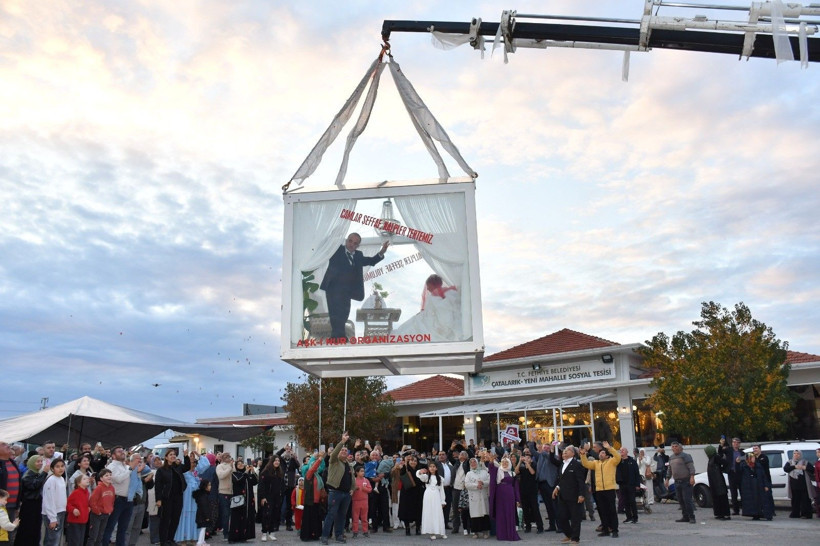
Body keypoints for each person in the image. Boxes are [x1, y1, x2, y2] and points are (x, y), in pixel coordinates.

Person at [320, 233, 389, 339]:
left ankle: (337, 339)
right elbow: (326, 244)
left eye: (355, 243)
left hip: (347, 293)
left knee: (343, 316)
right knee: (336, 317)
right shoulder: (336, 250)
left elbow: (371, 261)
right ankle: (340, 340)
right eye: (350, 241)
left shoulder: (358, 255)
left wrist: (382, 252)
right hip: (333, 290)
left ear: (358, 246)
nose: (351, 244)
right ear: (346, 240)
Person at [394, 274, 461, 342]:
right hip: (439, 321)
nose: (428, 288)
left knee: (410, 328)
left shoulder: (435, 294)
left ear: (433, 284)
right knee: (412, 325)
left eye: (428, 286)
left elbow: (436, 311)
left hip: (436, 322)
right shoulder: (449, 292)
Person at [579, 440, 621, 538]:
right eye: (600, 453)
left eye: (603, 453)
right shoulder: (596, 463)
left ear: (607, 456)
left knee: (612, 511)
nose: (601, 454)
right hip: (599, 490)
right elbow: (585, 464)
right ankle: (605, 529)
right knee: (602, 511)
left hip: (609, 489)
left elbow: (618, 457)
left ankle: (615, 530)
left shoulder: (611, 462)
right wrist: (582, 454)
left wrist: (609, 448)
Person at [320, 432, 354, 545]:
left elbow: (352, 478)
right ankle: (325, 536)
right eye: (342, 450)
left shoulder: (348, 465)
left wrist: (352, 489)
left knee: (342, 516)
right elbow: (334, 453)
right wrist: (342, 442)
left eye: (346, 450)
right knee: (331, 515)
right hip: (335, 492)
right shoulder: (334, 461)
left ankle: (339, 535)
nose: (344, 451)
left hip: (346, 494)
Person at [102, 446, 136, 546]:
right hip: (117, 500)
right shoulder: (111, 466)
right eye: (119, 451)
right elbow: (118, 479)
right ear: (113, 455)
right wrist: (130, 469)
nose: (122, 452)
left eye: (122, 451)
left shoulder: (125, 466)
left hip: (128, 500)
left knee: (123, 528)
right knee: (110, 526)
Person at [552, 445, 585, 545]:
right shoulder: (562, 464)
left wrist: (581, 494)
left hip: (574, 495)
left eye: (568, 450)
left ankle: (575, 538)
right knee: (561, 517)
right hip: (562, 495)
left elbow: (580, 481)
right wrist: (557, 487)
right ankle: (569, 535)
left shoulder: (576, 464)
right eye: (564, 450)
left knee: (575, 518)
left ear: (573, 453)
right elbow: (562, 479)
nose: (565, 452)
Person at [155, 449, 187, 546]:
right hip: (167, 497)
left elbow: (187, 467)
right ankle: (163, 541)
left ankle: (170, 539)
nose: (173, 456)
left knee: (175, 519)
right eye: (170, 454)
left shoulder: (177, 467)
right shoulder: (161, 470)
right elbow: (158, 486)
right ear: (166, 457)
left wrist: (186, 456)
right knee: (165, 520)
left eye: (174, 454)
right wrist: (158, 499)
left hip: (178, 497)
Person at [488, 454, 520, 541]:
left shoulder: (512, 473)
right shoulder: (497, 471)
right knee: (501, 514)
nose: (505, 463)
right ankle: (502, 534)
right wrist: (491, 460)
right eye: (503, 462)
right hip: (500, 495)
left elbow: (516, 487)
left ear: (509, 463)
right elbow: (491, 468)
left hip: (510, 495)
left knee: (509, 513)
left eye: (506, 462)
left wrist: (518, 499)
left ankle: (510, 534)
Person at [175, 453, 206, 544]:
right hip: (186, 499)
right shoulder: (184, 473)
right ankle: (183, 539)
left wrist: (198, 454)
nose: (193, 464)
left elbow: (206, 464)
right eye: (191, 462)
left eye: (194, 462)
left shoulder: (196, 472)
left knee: (194, 518)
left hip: (195, 500)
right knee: (185, 517)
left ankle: (193, 537)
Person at [666, 441, 696, 524]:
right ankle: (685, 516)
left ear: (679, 447)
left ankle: (692, 517)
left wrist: (692, 477)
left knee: (687, 499)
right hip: (677, 482)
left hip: (686, 481)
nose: (674, 448)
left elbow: (691, 467)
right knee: (680, 500)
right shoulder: (671, 457)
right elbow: (669, 469)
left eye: (676, 446)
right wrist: (667, 479)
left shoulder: (685, 456)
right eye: (673, 447)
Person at [229, 458, 257, 542]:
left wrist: (253, 471)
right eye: (238, 464)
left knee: (246, 517)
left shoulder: (248, 474)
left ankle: (243, 536)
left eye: (242, 463)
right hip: (238, 500)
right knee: (237, 518)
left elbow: (255, 481)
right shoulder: (234, 474)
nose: (241, 465)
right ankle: (234, 537)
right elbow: (238, 480)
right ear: (236, 466)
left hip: (248, 500)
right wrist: (246, 472)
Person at [417, 461, 447, 540]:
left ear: (436, 468)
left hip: (436, 496)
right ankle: (432, 532)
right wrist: (420, 471)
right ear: (428, 468)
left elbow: (442, 490)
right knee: (429, 513)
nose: (432, 468)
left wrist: (443, 501)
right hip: (428, 496)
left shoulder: (440, 478)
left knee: (438, 513)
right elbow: (419, 475)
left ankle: (441, 532)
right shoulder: (426, 477)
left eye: (434, 467)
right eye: (430, 467)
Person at [41, 458, 68, 546]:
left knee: (55, 539)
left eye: (62, 466)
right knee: (52, 540)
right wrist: (52, 518)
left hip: (60, 511)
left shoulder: (61, 479)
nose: (60, 468)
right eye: (57, 466)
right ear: (52, 469)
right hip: (53, 513)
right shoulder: (51, 480)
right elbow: (49, 500)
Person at [300, 451, 325, 542]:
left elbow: (321, 467)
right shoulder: (309, 474)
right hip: (309, 501)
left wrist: (321, 460)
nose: (316, 467)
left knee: (316, 519)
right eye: (314, 465)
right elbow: (313, 468)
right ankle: (306, 536)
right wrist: (319, 459)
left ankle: (315, 535)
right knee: (308, 519)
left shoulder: (318, 476)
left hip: (317, 501)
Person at [258, 455, 284, 541]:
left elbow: (281, 485)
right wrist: (263, 497)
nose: (277, 462)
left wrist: (281, 495)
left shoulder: (279, 472)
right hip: (267, 497)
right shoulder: (265, 472)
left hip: (277, 497)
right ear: (272, 461)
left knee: (274, 514)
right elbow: (261, 485)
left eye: (278, 461)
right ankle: (264, 533)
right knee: (267, 515)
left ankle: (272, 532)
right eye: (275, 460)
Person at [516, 447, 542, 533]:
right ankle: (528, 526)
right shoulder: (522, 467)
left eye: (528, 458)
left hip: (532, 491)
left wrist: (527, 463)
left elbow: (532, 472)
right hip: (523, 490)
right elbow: (516, 472)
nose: (526, 459)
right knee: (525, 509)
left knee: (535, 508)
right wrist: (520, 462)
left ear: (531, 459)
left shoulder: (534, 465)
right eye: (525, 458)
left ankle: (540, 526)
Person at [783, 449, 815, 518]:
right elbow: (786, 469)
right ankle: (795, 513)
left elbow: (812, 469)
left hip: (804, 484)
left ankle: (806, 514)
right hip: (794, 485)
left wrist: (804, 467)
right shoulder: (790, 462)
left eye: (798, 454)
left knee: (805, 500)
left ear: (800, 455)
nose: (796, 455)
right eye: (795, 453)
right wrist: (794, 467)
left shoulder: (805, 462)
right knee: (795, 500)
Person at [740, 452, 772, 520]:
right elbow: (739, 474)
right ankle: (755, 514)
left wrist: (766, 485)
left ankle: (765, 514)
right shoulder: (744, 466)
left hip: (759, 485)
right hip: (750, 487)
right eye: (752, 458)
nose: (754, 459)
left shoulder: (758, 465)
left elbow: (763, 476)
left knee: (762, 500)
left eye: (754, 457)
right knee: (752, 501)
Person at [464, 455, 490, 539]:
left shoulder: (484, 472)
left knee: (484, 513)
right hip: (474, 496)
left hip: (483, 495)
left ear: (477, 463)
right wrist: (476, 486)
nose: (473, 464)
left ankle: (485, 531)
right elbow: (467, 484)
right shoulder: (469, 474)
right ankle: (475, 532)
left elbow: (489, 480)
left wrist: (483, 483)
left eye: (474, 462)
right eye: (471, 462)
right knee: (475, 514)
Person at [88, 468, 115, 546]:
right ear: (101, 478)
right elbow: (92, 501)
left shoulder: (112, 488)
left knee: (100, 535)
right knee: (93, 536)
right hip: (97, 515)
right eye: (106, 475)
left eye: (110, 475)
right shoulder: (98, 488)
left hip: (106, 514)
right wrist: (98, 511)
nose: (109, 477)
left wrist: (110, 510)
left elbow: (112, 500)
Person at [398, 455, 423, 536]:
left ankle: (418, 528)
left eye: (415, 461)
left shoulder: (420, 470)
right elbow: (401, 474)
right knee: (406, 510)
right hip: (407, 492)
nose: (413, 462)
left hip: (418, 492)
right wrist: (405, 464)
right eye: (411, 461)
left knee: (418, 510)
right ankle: (407, 528)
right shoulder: (405, 468)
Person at [0, 443, 20, 545]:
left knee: (10, 533)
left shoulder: (12, 462)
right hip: (1, 506)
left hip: (12, 506)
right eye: (3, 444)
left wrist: (17, 504)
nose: (7, 445)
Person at [616, 447, 642, 524]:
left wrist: (637, 484)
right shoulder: (618, 462)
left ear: (627, 452)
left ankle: (635, 517)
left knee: (632, 501)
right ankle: (628, 517)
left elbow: (636, 473)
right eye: (620, 450)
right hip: (622, 484)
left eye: (623, 450)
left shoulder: (632, 461)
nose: (621, 451)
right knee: (625, 501)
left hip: (631, 484)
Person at [704, 445, 730, 520]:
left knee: (722, 497)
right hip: (714, 480)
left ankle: (725, 514)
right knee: (716, 497)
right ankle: (719, 513)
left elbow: (725, 463)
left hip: (718, 480)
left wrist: (721, 469)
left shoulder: (716, 457)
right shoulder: (711, 458)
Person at [66, 475, 91, 546]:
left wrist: (89, 507)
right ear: (79, 483)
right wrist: (73, 509)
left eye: (87, 478)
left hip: (83, 520)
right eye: (84, 479)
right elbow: (67, 504)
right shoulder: (75, 492)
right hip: (74, 521)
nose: (87, 480)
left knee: (80, 541)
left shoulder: (87, 492)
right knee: (75, 541)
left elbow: (86, 503)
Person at [216, 453, 234, 542]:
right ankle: (225, 533)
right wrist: (229, 468)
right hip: (223, 492)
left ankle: (233, 532)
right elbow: (221, 476)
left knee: (232, 514)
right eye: (226, 457)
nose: (228, 458)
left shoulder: (231, 466)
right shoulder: (220, 466)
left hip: (232, 492)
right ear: (223, 458)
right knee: (225, 514)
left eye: (229, 457)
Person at [351, 466, 372, 538]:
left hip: (364, 501)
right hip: (356, 501)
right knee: (355, 517)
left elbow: (370, 489)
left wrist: (364, 489)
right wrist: (354, 489)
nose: (363, 473)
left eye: (363, 471)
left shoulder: (366, 480)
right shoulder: (354, 480)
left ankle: (365, 531)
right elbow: (351, 489)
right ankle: (355, 531)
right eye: (361, 471)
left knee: (364, 517)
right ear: (357, 472)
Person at [725, 437, 744, 516]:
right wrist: (721, 444)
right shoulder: (729, 451)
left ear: (739, 444)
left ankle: (745, 509)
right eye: (734, 442)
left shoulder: (742, 452)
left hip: (740, 473)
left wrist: (740, 459)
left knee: (742, 491)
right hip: (732, 473)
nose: (735, 444)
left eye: (737, 442)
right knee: (733, 492)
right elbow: (721, 451)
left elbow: (746, 459)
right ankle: (736, 510)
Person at [193, 480, 212, 546]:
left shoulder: (203, 495)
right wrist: (207, 516)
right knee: (203, 528)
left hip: (202, 515)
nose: (210, 486)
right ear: (205, 486)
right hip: (202, 515)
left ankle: (202, 541)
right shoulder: (203, 496)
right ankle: (200, 542)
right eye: (209, 485)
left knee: (204, 528)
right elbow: (204, 507)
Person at [637, 448, 655, 514]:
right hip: (641, 474)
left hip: (648, 474)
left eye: (642, 451)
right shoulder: (638, 458)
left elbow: (648, 463)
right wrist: (639, 460)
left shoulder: (648, 457)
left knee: (649, 488)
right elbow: (638, 466)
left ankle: (650, 500)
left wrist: (643, 459)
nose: (641, 453)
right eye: (640, 451)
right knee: (642, 488)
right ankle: (643, 500)